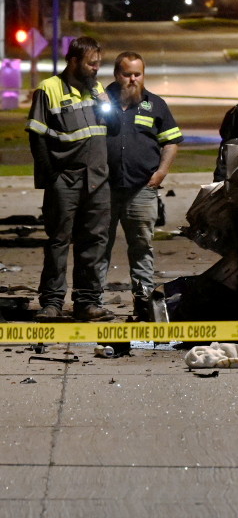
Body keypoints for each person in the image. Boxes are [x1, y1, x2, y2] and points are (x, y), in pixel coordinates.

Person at [26, 36, 117, 321]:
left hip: (97, 180)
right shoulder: (49, 89)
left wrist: (105, 101)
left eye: (99, 64)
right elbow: (36, 136)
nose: (96, 69)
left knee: (94, 242)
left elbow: (112, 129)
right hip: (65, 179)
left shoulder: (97, 89)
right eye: (91, 64)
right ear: (74, 61)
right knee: (59, 241)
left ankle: (87, 302)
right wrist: (52, 175)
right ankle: (52, 302)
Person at [100, 51, 183, 326]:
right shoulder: (99, 101)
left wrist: (161, 173)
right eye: (127, 74)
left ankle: (143, 300)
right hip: (104, 189)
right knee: (99, 246)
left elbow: (171, 141)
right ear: (116, 74)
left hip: (141, 190)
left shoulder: (155, 104)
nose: (133, 79)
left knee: (141, 246)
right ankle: (92, 301)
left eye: (138, 74)